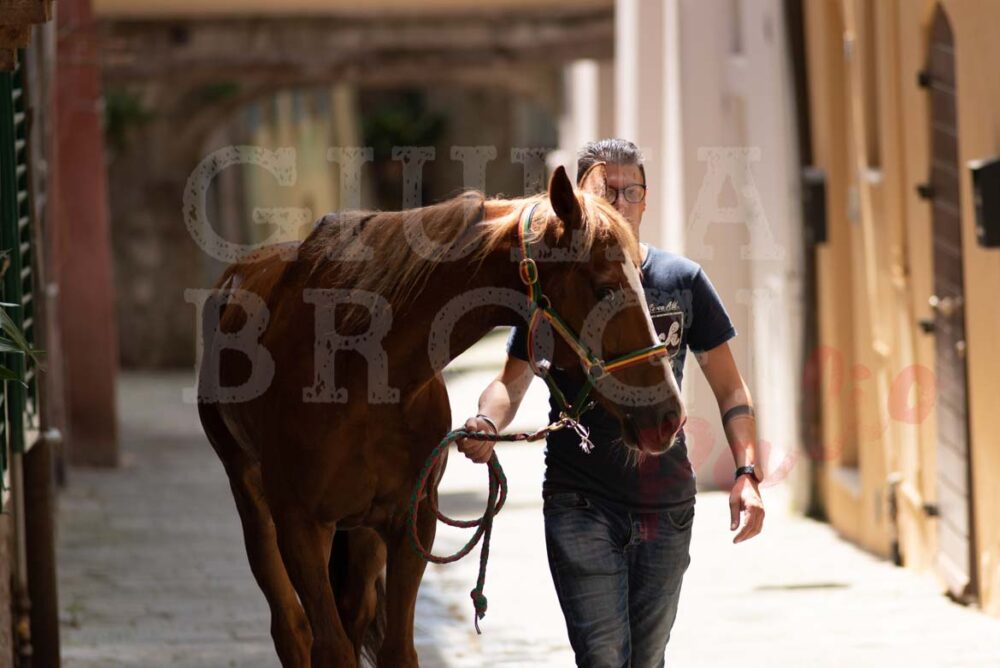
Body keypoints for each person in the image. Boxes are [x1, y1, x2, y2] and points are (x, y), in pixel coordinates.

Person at [456, 138, 765, 667]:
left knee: (647, 658)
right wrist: (486, 420)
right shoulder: (563, 289)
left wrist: (747, 473)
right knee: (602, 657)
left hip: (666, 504)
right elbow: (511, 381)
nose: (621, 202)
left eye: (632, 191)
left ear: (646, 199)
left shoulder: (682, 281)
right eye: (607, 191)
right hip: (580, 500)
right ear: (582, 201)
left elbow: (731, 389)